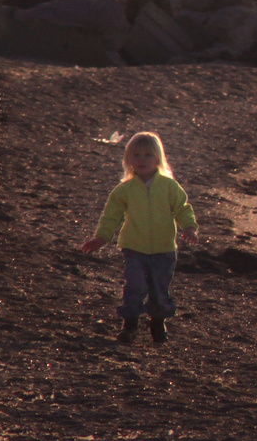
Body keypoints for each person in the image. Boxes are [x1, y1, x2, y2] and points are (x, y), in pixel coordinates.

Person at [81, 132, 199, 343]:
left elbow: (182, 208)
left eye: (148, 155)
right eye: (136, 155)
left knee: (159, 289)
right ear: (128, 160)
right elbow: (111, 216)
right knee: (135, 286)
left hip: (164, 250)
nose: (142, 160)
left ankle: (157, 322)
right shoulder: (124, 190)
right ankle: (130, 324)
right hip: (134, 248)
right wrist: (101, 238)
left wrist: (189, 228)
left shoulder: (169, 186)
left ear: (158, 159)